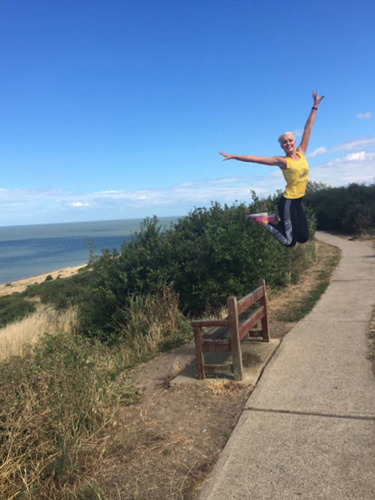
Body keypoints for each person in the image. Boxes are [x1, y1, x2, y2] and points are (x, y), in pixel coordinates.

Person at [219, 90, 324, 247]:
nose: (288, 143)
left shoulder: (301, 152)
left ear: (294, 142)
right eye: (284, 142)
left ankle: (275, 219)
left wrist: (314, 106)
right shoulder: (282, 161)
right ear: (281, 146)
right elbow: (256, 159)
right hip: (288, 202)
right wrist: (234, 156)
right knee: (289, 242)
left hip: (298, 202)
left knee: (303, 237)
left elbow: (307, 129)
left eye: (290, 140)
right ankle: (263, 221)